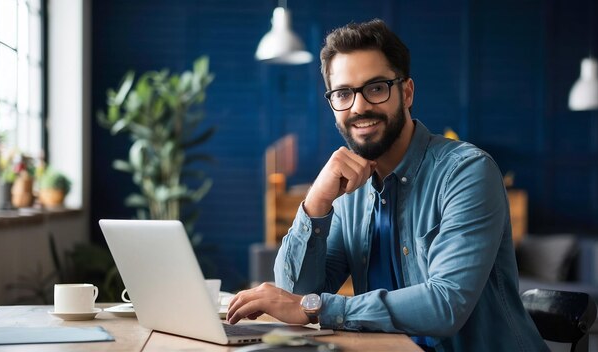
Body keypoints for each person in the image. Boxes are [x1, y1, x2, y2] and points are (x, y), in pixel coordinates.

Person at [227, 19, 547, 351]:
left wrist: (318, 307)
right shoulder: (349, 191)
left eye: (376, 88)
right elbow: (293, 295)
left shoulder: (466, 172)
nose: (359, 106)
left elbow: (445, 305)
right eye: (343, 93)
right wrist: (316, 202)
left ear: (406, 93)